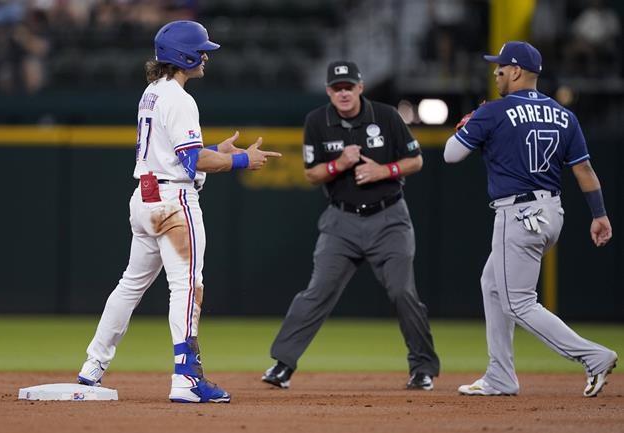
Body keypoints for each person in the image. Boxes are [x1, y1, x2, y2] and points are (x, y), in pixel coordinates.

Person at [76, 20, 281, 404]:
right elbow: (191, 161)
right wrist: (239, 160)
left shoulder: (152, 91)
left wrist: (216, 151)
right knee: (187, 287)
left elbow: (179, 153)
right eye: (201, 50)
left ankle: (92, 366)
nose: (206, 56)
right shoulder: (181, 99)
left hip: (145, 199)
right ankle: (186, 379)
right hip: (173, 203)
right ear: (183, 57)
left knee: (130, 285)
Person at [444, 41, 617, 397]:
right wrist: (599, 214)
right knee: (492, 285)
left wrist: (468, 123)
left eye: (501, 68)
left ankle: (593, 356)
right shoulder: (563, 113)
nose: (496, 73)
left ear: (517, 71)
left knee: (518, 302)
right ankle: (500, 376)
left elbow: (450, 154)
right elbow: (583, 169)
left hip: (518, 213)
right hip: (551, 213)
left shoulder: (493, 112)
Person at [262, 60, 440, 390]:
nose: (343, 93)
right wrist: (338, 164)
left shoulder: (385, 116)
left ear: (360, 88)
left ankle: (423, 368)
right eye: (336, 88)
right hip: (341, 220)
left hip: (389, 219)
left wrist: (384, 171)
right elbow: (311, 173)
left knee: (403, 292)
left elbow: (416, 160)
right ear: (329, 91)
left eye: (348, 87)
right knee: (316, 293)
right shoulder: (317, 121)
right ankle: (282, 365)